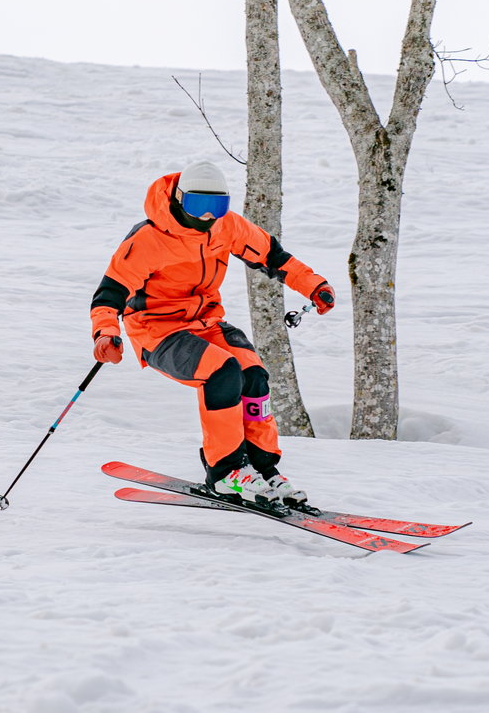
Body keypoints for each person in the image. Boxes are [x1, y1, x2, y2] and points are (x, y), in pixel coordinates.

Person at [88, 160, 334, 507]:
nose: (207, 216)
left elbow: (273, 255)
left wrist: (314, 286)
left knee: (253, 374)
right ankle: (225, 474)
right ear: (178, 199)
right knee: (222, 372)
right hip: (157, 330)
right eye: (197, 206)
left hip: (205, 322)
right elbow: (109, 294)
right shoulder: (148, 239)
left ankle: (263, 470)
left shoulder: (226, 227)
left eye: (216, 207)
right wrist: (105, 332)